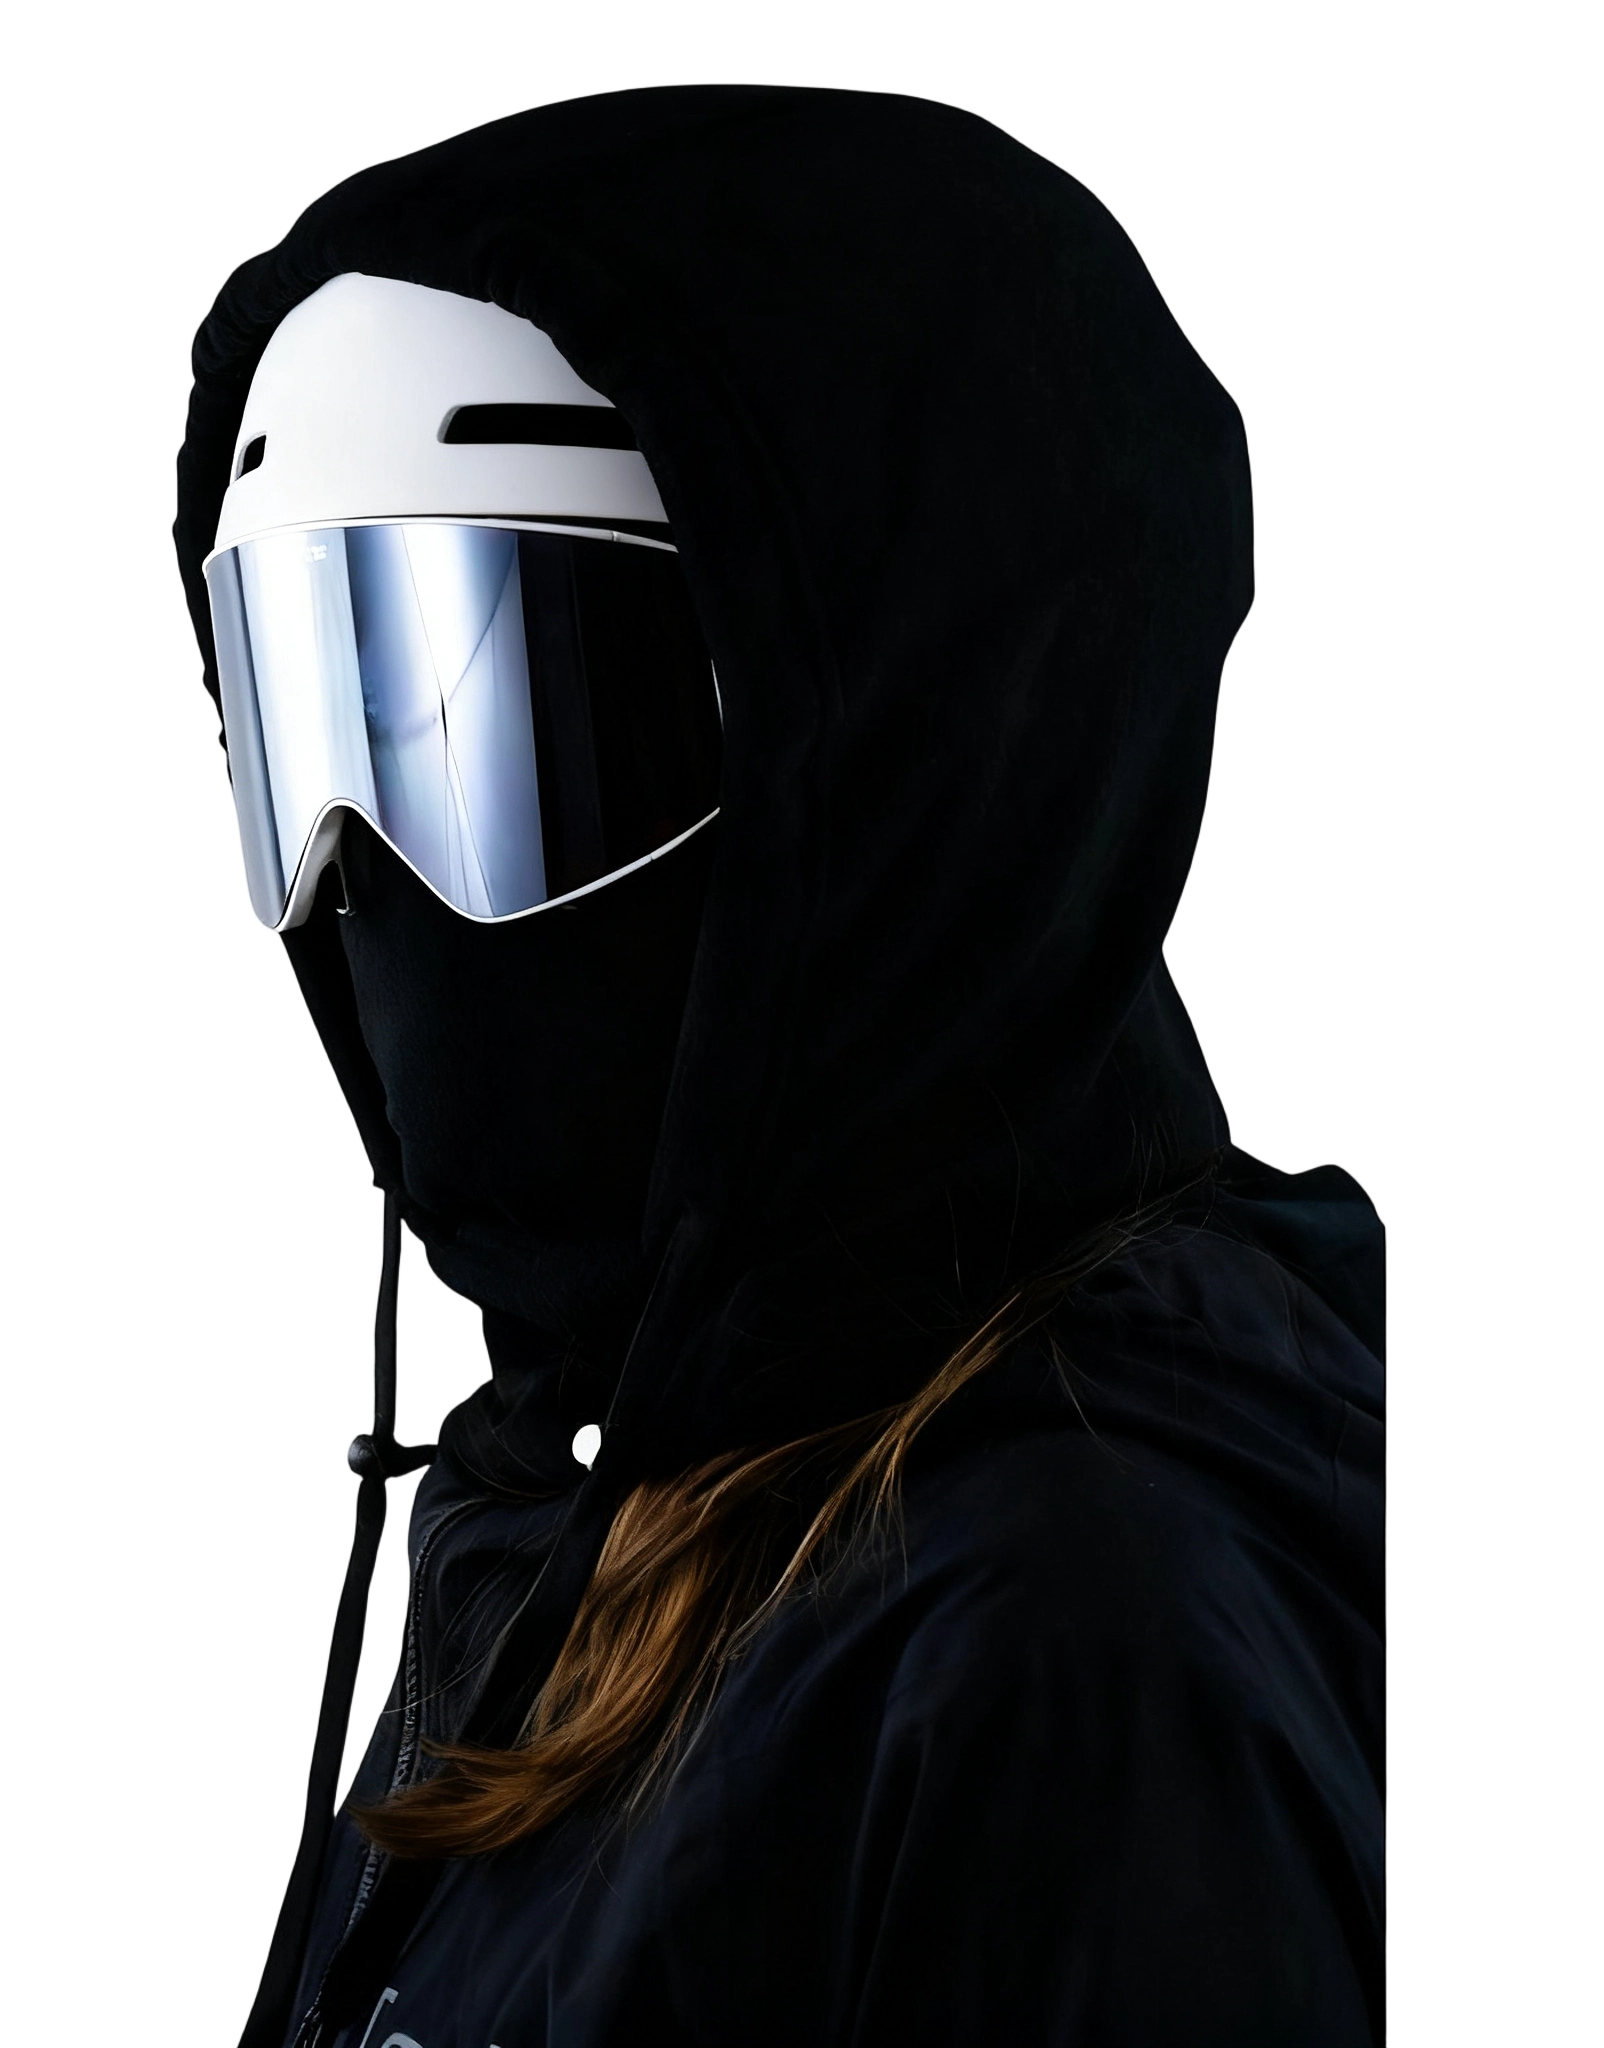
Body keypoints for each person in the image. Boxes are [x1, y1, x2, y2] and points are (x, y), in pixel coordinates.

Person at [177, 89, 1383, 2048]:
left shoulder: (1066, 1651)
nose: (356, 879)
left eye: (506, 719)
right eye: (312, 718)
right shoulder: (559, 1514)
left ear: (908, 755)